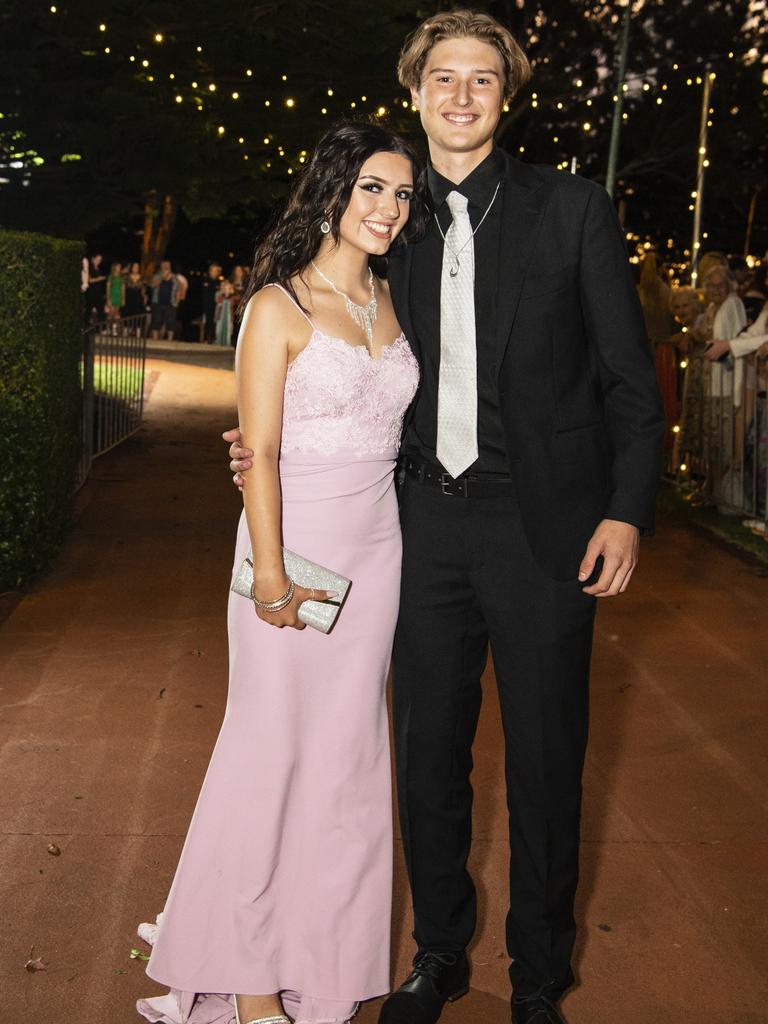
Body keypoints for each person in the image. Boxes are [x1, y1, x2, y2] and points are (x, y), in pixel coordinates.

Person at [228, 11, 664, 1024]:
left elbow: (631, 389)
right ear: (414, 89)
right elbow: (325, 355)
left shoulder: (574, 210)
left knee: (549, 758)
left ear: (506, 98)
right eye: (443, 79)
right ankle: (437, 951)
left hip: (547, 532)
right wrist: (264, 438)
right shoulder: (389, 219)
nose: (461, 97)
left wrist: (628, 513)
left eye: (482, 81)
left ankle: (540, 976)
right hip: (416, 528)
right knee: (427, 754)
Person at [137, 121, 428, 1024]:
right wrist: (269, 577)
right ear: (334, 191)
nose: (387, 208)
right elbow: (256, 451)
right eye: (372, 188)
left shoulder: (393, 297)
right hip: (288, 548)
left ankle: (327, 966)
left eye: (403, 194)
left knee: (347, 763)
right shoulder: (276, 306)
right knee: (270, 755)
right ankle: (255, 981)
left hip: (378, 557)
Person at [150, 260, 180, 339]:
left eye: (168, 265)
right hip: (157, 303)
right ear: (161, 266)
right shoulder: (157, 276)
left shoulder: (174, 278)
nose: (166, 267)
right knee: (156, 321)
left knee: (171, 323)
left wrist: (177, 303)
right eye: (164, 265)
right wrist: (162, 277)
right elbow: (153, 286)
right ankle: (155, 339)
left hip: (171, 304)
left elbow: (178, 290)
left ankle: (170, 340)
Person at [202, 262, 223, 341]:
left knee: (216, 321)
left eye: (217, 270)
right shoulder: (206, 279)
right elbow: (207, 291)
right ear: (210, 271)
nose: (216, 272)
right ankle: (207, 338)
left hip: (217, 305)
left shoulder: (219, 281)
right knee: (208, 320)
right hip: (208, 304)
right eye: (214, 270)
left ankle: (215, 337)